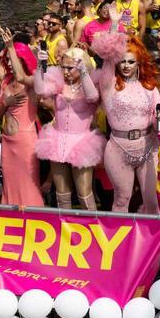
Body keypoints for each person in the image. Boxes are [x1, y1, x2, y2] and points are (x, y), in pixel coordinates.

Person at [91, 13, 160, 213]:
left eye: (131, 62)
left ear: (138, 63)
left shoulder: (151, 88)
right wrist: (115, 25)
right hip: (118, 149)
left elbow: (156, 117)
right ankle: (119, 242)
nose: (126, 66)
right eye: (123, 62)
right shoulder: (108, 84)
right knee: (121, 199)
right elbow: (108, 55)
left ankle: (152, 243)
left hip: (149, 147)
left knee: (152, 202)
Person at [33, 47, 106, 210]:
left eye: (69, 68)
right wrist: (39, 65)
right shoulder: (58, 83)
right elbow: (39, 90)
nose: (65, 72)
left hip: (82, 143)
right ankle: (64, 230)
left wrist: (84, 73)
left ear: (81, 66)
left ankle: (92, 230)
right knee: (62, 194)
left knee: (84, 194)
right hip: (57, 140)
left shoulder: (91, 84)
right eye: (63, 67)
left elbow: (92, 97)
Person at [0, 31, 46, 207]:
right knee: (10, 185)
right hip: (7, 142)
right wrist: (5, 103)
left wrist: (10, 47)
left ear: (22, 59)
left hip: (25, 141)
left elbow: (20, 75)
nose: (8, 61)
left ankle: (35, 222)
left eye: (13, 58)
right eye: (7, 58)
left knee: (29, 186)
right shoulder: (5, 82)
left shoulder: (30, 83)